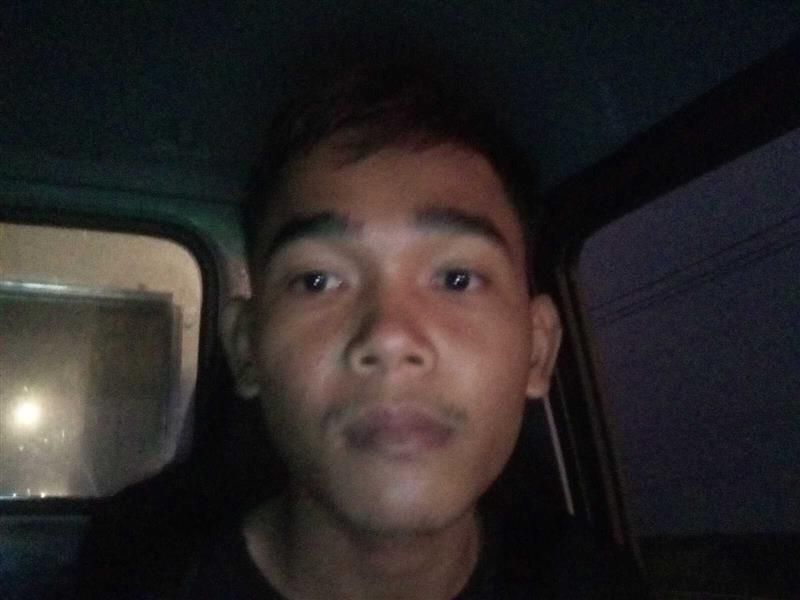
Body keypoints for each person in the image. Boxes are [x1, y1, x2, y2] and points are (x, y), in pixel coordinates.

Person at [78, 57, 645, 599]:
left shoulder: (594, 585)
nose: (390, 337)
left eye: (456, 279)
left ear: (538, 352)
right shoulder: (131, 584)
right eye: (318, 281)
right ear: (246, 348)